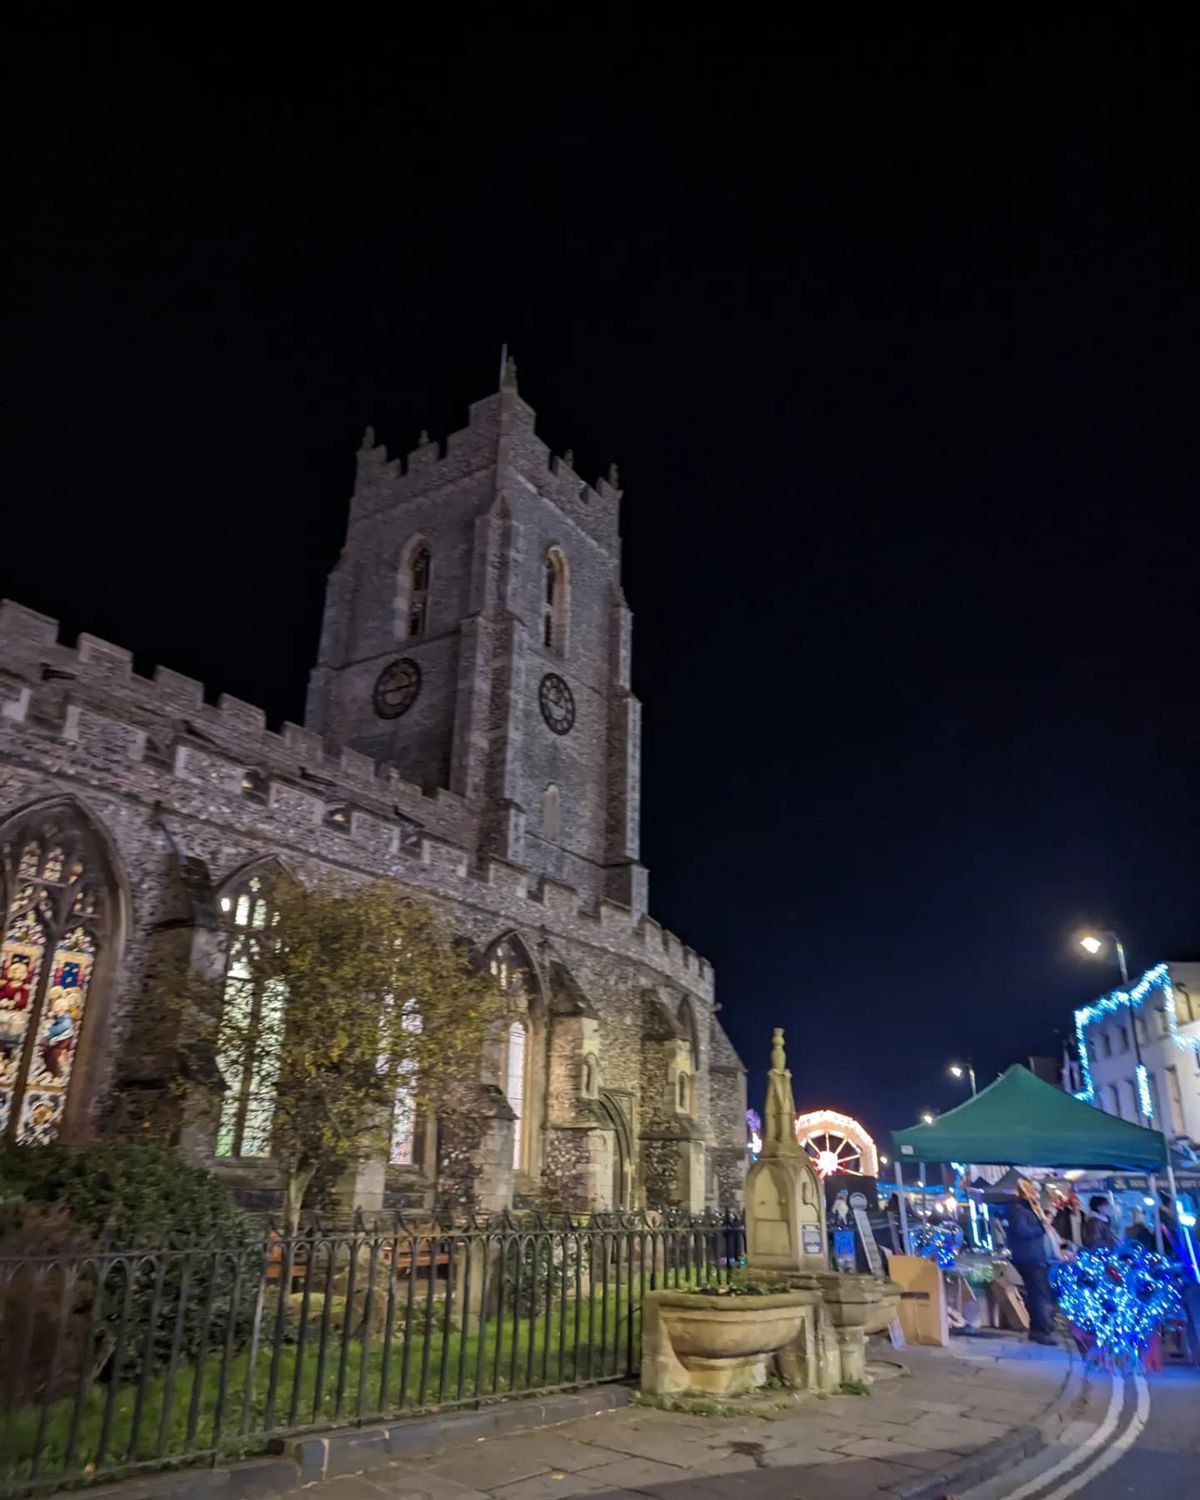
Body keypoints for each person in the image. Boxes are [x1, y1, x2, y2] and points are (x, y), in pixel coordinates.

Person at [1002, 1179, 1058, 1345]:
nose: (1036, 1194)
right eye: (1033, 1191)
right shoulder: (1018, 1210)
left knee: (1037, 1294)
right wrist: (1041, 1227)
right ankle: (1043, 1330)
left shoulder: (1030, 1209)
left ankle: (1038, 1329)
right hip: (1030, 1257)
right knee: (1040, 1294)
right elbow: (1022, 1231)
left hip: (1035, 1256)